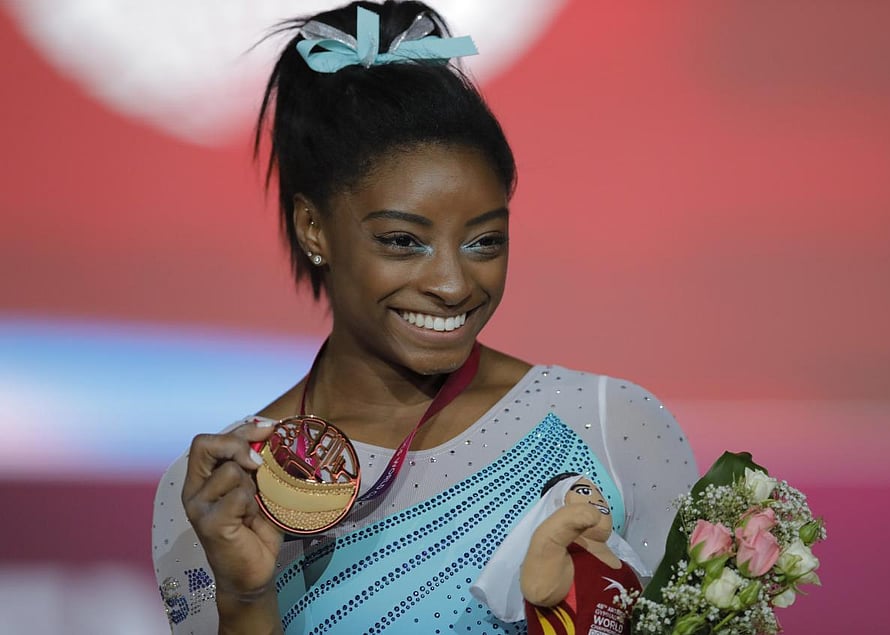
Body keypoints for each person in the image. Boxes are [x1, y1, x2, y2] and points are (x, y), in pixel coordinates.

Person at [151, 2, 698, 633]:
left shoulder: (613, 425)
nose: (452, 284)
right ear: (313, 227)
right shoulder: (219, 494)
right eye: (403, 241)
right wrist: (246, 601)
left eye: (485, 242)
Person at [471, 474, 649, 635]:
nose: (598, 500)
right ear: (557, 505)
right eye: (584, 491)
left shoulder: (626, 573)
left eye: (599, 493)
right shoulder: (554, 558)